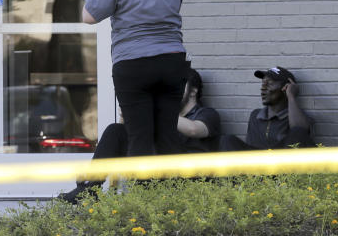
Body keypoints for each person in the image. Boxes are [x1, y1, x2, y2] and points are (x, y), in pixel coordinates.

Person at [82, 0, 190, 158]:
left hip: (134, 65)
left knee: (139, 136)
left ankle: (143, 194)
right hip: (172, 61)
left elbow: (89, 16)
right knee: (168, 135)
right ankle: (170, 192)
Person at [57, 69, 220, 203]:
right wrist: (129, 115)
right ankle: (89, 188)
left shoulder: (207, 114)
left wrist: (158, 111)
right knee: (116, 130)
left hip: (184, 179)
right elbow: (125, 137)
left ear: (193, 91)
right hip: (153, 174)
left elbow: (194, 130)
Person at [220, 66, 315, 150]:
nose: (263, 88)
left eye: (269, 84)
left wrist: (291, 95)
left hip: (281, 163)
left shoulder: (297, 118)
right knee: (228, 140)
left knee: (298, 131)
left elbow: (301, 132)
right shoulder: (255, 115)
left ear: (285, 88)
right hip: (257, 163)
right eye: (263, 83)